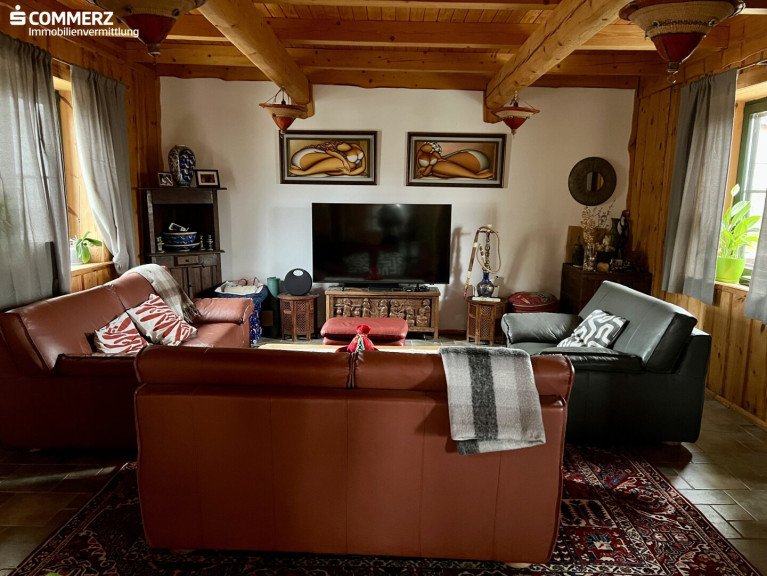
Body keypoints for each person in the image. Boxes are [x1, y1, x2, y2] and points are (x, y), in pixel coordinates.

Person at [415, 142, 494, 179]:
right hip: (475, 165)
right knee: (437, 171)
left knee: (436, 167)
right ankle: (476, 174)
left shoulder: (425, 150)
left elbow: (430, 149)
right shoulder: (433, 169)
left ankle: (476, 176)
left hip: (474, 158)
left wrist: (429, 167)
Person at [290, 141, 367, 177]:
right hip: (305, 156)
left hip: (309, 162)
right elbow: (328, 150)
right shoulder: (347, 147)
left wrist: (349, 173)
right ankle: (305, 172)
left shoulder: (357, 147)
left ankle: (304, 169)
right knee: (349, 165)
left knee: (351, 166)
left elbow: (363, 167)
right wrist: (344, 161)